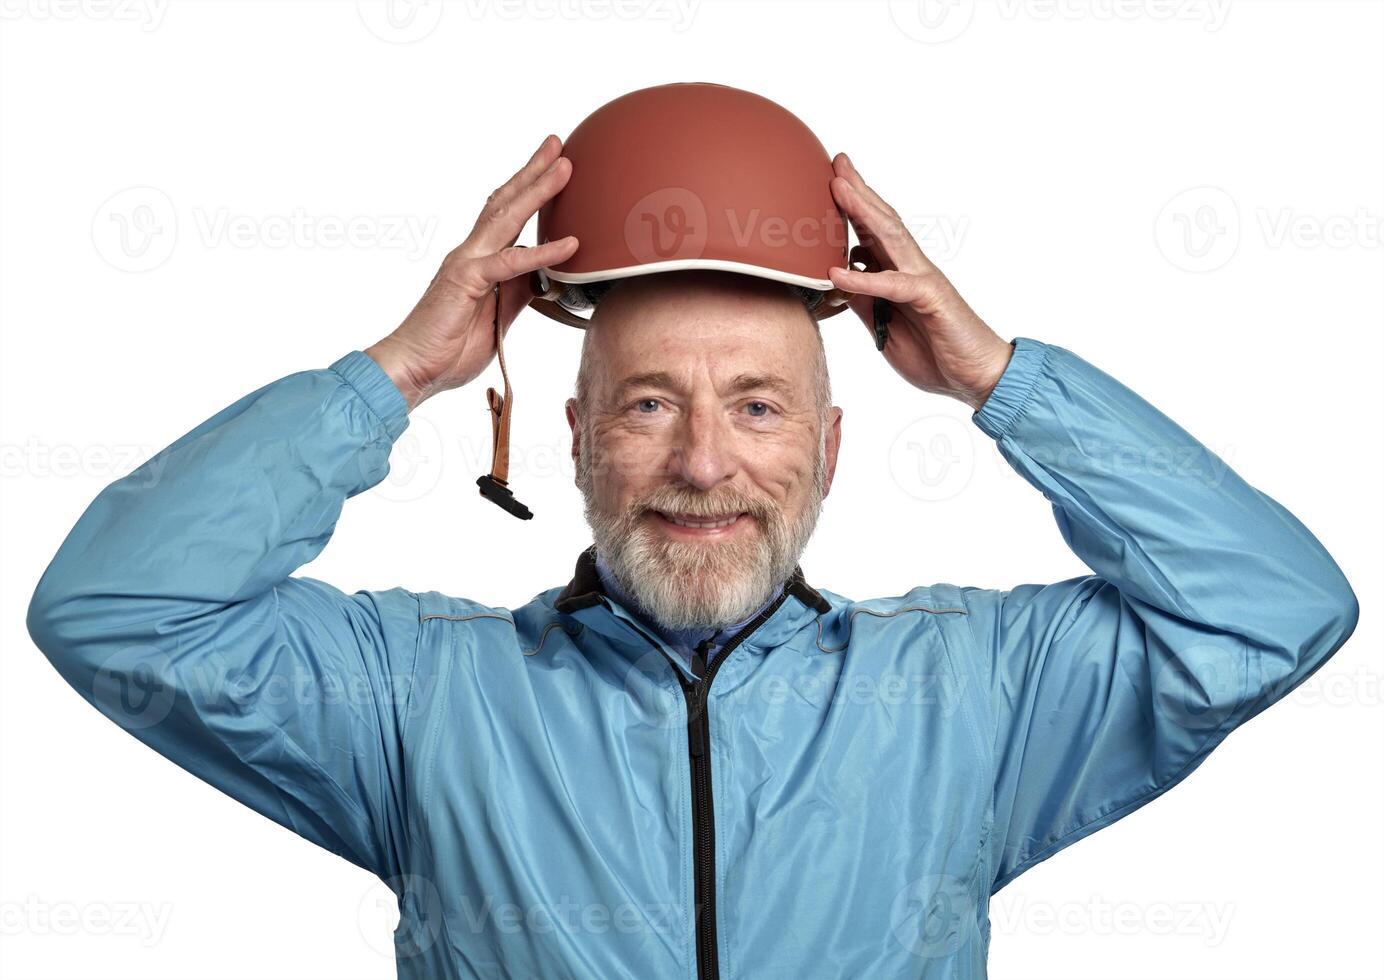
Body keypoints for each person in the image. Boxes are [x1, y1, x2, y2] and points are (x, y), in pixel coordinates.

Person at [28, 134, 1358, 979]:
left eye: (759, 407)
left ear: (832, 450)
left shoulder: (971, 695)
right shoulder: (420, 697)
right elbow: (116, 613)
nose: (704, 466)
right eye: (650, 404)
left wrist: (1003, 381)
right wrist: (394, 376)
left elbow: (1274, 611)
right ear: (576, 441)